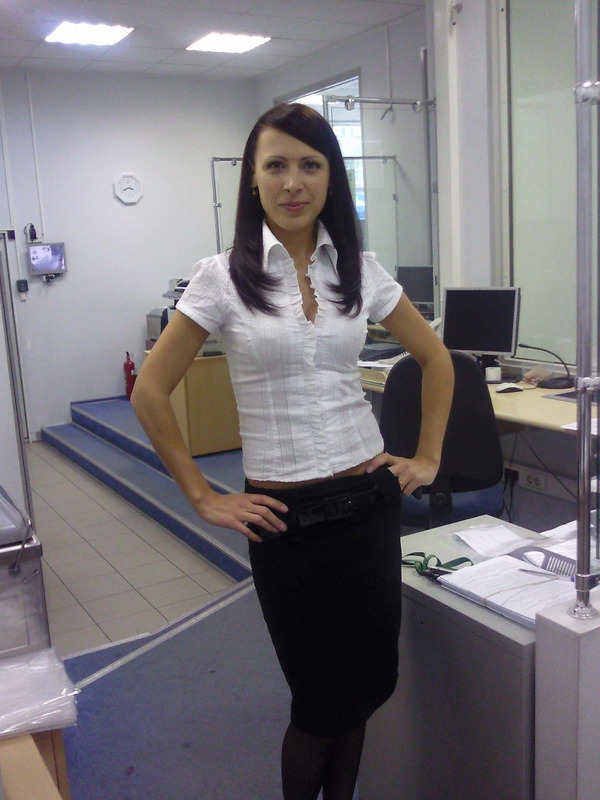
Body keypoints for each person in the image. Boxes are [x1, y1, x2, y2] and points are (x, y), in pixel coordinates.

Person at [131, 102, 454, 800]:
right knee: (317, 705)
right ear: (253, 179)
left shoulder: (360, 271)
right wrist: (202, 496)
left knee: (366, 687)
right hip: (287, 523)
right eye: (276, 165)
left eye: (311, 165)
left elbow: (436, 358)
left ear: (331, 178)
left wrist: (426, 456)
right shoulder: (221, 277)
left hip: (368, 506)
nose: (293, 182)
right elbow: (150, 390)